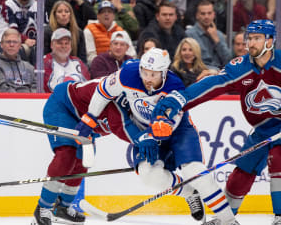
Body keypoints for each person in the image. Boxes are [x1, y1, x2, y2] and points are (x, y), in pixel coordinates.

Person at [151, 20, 281, 225]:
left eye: (256, 38)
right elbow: (214, 83)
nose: (250, 43)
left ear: (270, 41)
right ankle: (224, 219)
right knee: (244, 168)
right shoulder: (240, 66)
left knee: (279, 155)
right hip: (264, 129)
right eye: (249, 38)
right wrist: (182, 98)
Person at [74, 48, 240, 225]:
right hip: (146, 131)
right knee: (148, 175)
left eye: (153, 74)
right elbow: (102, 91)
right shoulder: (128, 74)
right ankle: (189, 193)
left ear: (164, 72)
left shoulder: (174, 85)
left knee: (194, 170)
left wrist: (152, 135)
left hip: (178, 131)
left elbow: (171, 124)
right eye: (145, 72)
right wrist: (90, 117)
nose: (147, 78)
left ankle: (228, 221)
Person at [32, 79, 139, 225]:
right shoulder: (107, 91)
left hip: (88, 125)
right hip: (64, 107)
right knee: (67, 154)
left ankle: (63, 208)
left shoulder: (135, 108)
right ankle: (43, 208)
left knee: (84, 159)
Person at [84, 0, 136, 65]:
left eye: (109, 11)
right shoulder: (89, 30)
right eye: (103, 12)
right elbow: (90, 56)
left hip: (121, 65)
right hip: (99, 66)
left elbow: (131, 54)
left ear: (114, 16)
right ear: (98, 16)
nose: (106, 14)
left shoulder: (121, 31)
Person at [186, 0, 231, 70]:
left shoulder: (219, 35)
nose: (206, 17)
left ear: (214, 15)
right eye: (203, 14)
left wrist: (217, 41)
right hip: (200, 73)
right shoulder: (189, 34)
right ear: (197, 16)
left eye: (209, 13)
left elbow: (228, 60)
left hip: (220, 74)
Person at [43, 28, 90, 93]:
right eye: (60, 43)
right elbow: (46, 89)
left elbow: (87, 86)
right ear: (51, 45)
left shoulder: (78, 62)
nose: (63, 46)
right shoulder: (45, 63)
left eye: (66, 43)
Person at [0, 28, 36, 92]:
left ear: (20, 45)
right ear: (1, 45)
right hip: (8, 101)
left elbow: (37, 89)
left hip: (31, 100)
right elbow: (2, 88)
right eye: (8, 42)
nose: (11, 45)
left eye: (15, 42)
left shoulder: (29, 67)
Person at [44, 0, 87, 64]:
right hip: (52, 66)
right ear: (54, 14)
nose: (63, 14)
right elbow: (44, 57)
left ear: (71, 14)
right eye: (59, 12)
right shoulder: (46, 32)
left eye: (67, 11)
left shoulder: (78, 32)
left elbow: (82, 59)